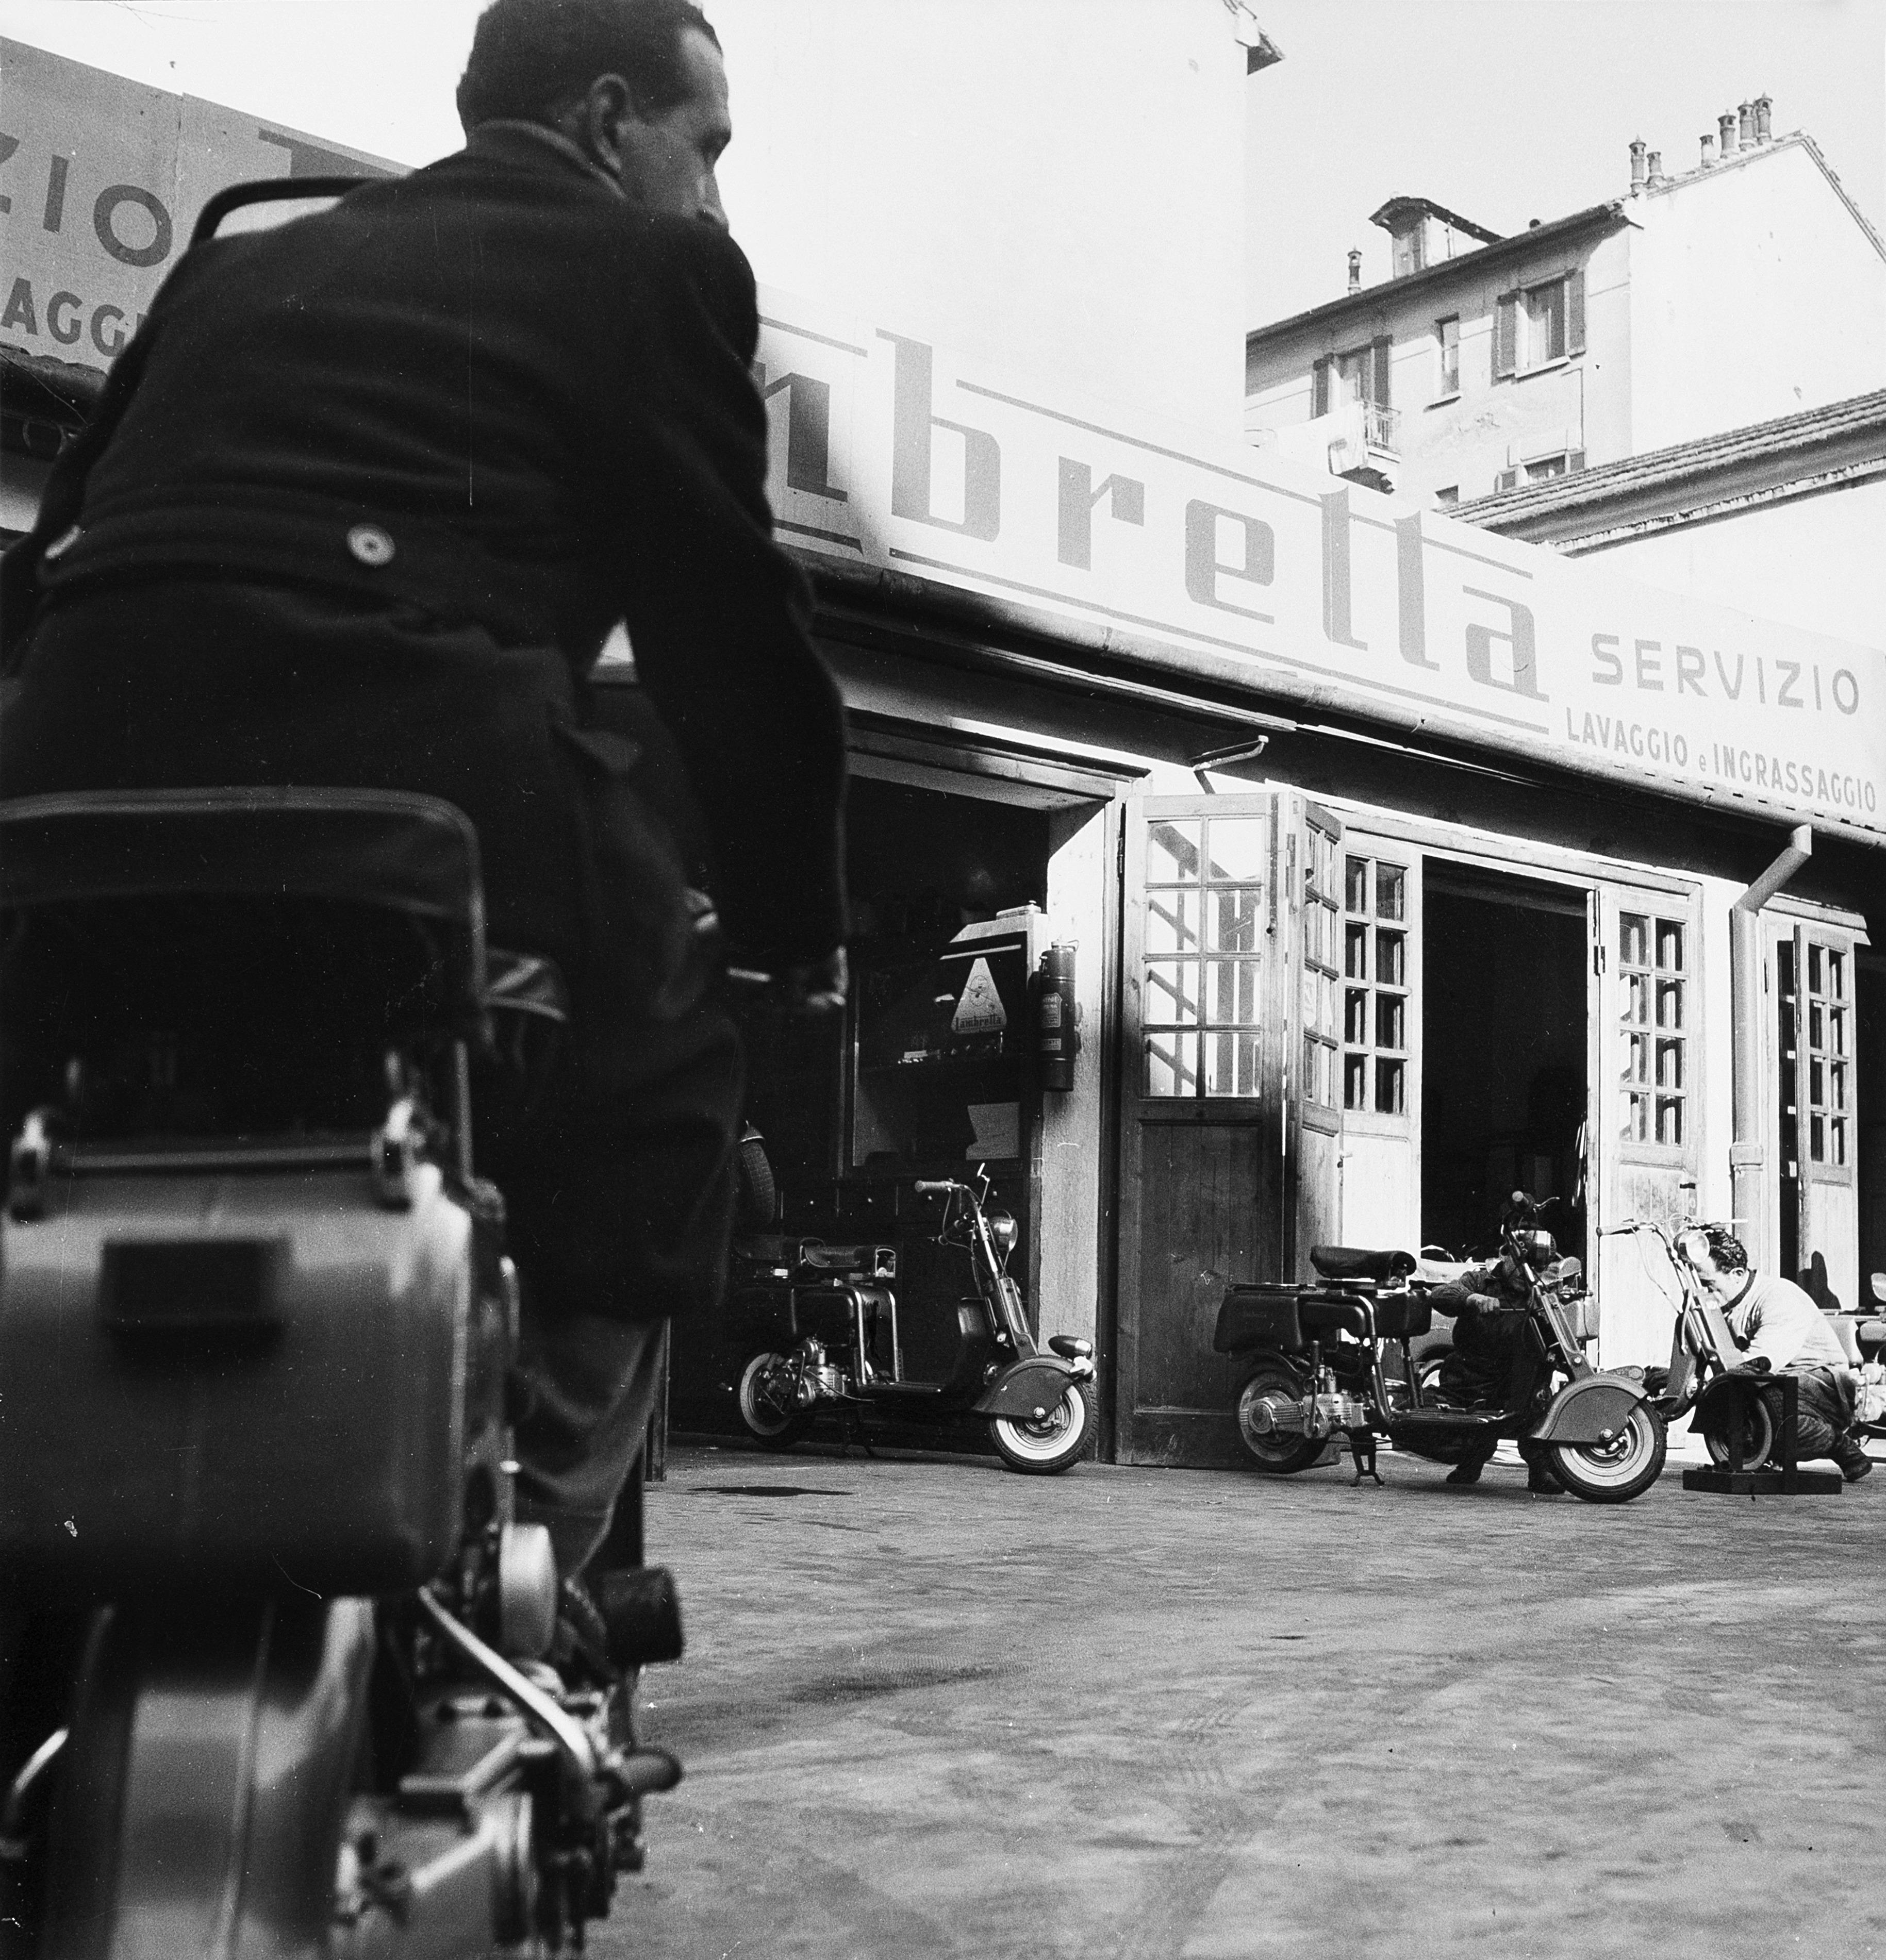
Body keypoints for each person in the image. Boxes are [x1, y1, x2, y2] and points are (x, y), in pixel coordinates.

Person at [0, 0, 849, 1581]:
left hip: (70, 777)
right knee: (662, 1099)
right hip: (418, 776)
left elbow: (48, 558)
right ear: (607, 119)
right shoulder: (657, 271)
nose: (717, 195)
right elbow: (724, 634)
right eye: (706, 145)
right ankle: (515, 1578)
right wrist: (796, 929)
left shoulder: (235, 259)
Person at [1677, 1224, 1872, 1483]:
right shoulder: (1720, 1303)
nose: (1704, 1292)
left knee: (1767, 1401)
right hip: (1776, 1386)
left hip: (1821, 1387)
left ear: (1736, 1274)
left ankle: (1838, 1443)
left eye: (1708, 1284)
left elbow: (1761, 1363)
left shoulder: (1779, 1297)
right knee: (1746, 1392)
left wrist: (1708, 1387)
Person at [1427, 1233, 1565, 1494]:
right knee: (1420, 1421)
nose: (1528, 1272)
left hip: (1519, 1383)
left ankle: (1540, 1469)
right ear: (1508, 1256)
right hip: (1470, 1380)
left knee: (1541, 1402)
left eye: (1538, 1267)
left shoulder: (1542, 1294)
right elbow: (1440, 1295)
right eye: (1523, 1262)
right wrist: (1471, 1299)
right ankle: (1471, 1459)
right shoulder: (1479, 1280)